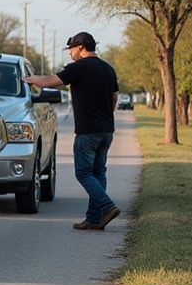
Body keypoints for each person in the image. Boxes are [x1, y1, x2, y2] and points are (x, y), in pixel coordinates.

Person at [24, 31, 120, 231]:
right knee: (98, 172)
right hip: (106, 130)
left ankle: (107, 206)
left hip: (87, 132)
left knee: (83, 173)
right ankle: (94, 218)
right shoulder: (108, 69)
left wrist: (32, 79)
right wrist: (105, 115)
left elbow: (52, 81)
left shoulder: (79, 68)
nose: (70, 53)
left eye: (71, 49)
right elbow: (115, 98)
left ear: (81, 47)